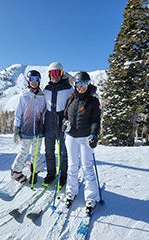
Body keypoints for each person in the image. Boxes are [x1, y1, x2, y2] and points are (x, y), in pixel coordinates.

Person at [62, 71, 101, 214]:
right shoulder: (71, 98)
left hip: (85, 139)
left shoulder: (93, 101)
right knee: (72, 166)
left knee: (87, 167)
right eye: (78, 84)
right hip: (70, 137)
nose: (81, 87)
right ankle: (71, 191)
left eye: (84, 84)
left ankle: (91, 197)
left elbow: (96, 121)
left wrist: (94, 135)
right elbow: (65, 116)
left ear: (88, 84)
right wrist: (64, 124)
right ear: (75, 85)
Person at [11, 70, 46, 184]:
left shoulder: (43, 96)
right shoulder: (24, 95)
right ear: (28, 81)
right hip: (26, 130)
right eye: (31, 79)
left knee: (36, 153)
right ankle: (16, 171)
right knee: (24, 152)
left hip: (39, 131)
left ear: (39, 81)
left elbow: (44, 113)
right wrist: (16, 128)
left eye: (36, 79)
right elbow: (18, 113)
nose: (34, 82)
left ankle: (34, 172)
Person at [43, 62, 73, 188]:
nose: (55, 76)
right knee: (49, 151)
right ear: (49, 75)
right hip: (49, 122)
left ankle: (63, 174)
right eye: (52, 73)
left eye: (58, 73)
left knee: (63, 152)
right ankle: (51, 174)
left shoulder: (69, 89)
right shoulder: (46, 89)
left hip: (62, 122)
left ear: (62, 74)